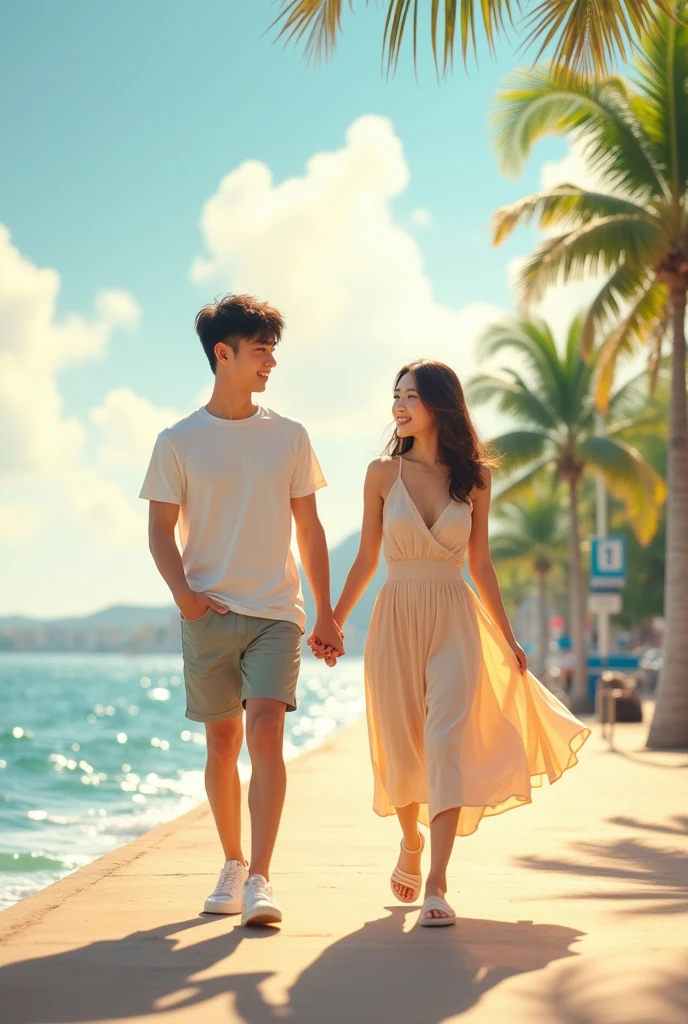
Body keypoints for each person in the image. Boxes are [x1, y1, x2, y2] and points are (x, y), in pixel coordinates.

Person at [310, 360, 589, 927]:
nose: (398, 406)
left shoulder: (476, 478)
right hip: (397, 616)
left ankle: (437, 882)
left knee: (444, 743)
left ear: (440, 403)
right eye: (395, 396)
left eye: (410, 396)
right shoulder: (381, 475)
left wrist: (509, 640)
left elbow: (481, 565)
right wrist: (332, 621)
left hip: (455, 617)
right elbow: (366, 558)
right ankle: (410, 839)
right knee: (403, 740)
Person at [140, 294, 343, 927]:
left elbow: (309, 530)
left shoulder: (289, 436)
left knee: (266, 730)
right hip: (207, 612)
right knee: (223, 742)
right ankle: (231, 862)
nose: (272, 362)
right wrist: (188, 601)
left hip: (277, 612)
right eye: (261, 350)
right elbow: (159, 532)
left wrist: (327, 613)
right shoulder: (178, 441)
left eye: (273, 349)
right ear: (223, 355)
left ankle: (261, 876)